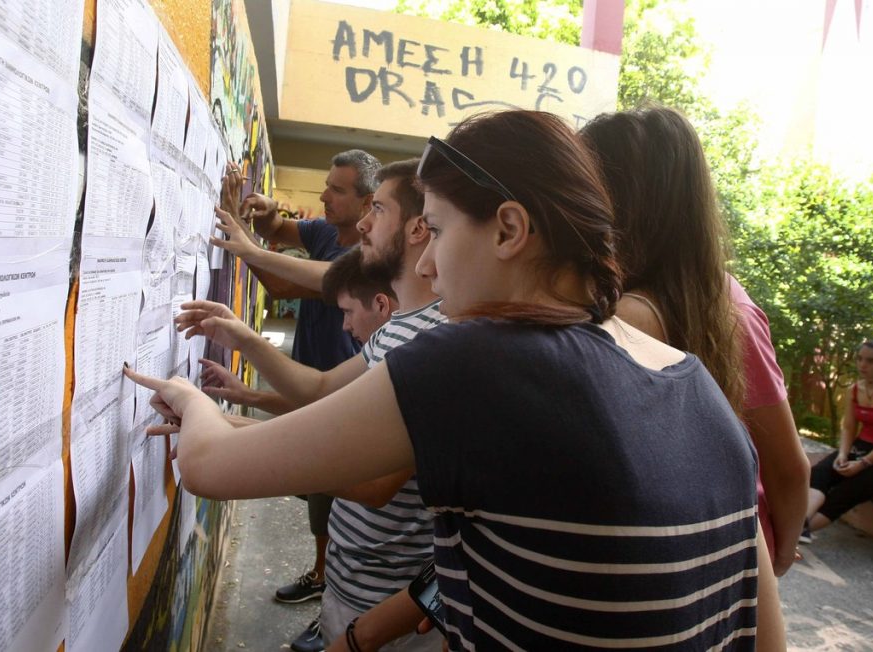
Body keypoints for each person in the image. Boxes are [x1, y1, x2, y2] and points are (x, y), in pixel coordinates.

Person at [128, 110, 781, 650]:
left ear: (509, 229)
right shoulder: (699, 386)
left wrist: (189, 397)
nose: (431, 266)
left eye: (436, 231)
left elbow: (212, 468)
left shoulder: (479, 363)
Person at [182, 159, 445, 651]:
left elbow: (372, 484)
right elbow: (324, 388)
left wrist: (218, 424)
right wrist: (242, 340)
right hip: (355, 580)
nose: (363, 222)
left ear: (416, 229)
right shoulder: (406, 324)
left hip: (387, 605)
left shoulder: (432, 337)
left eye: (379, 209)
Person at [578, 106, 811, 577]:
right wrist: (772, 559)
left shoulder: (621, 319)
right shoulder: (728, 299)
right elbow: (789, 468)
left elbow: (786, 466)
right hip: (731, 555)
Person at [219, 150, 379, 612]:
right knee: (322, 497)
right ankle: (323, 574)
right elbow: (279, 231)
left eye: (337, 189)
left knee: (335, 493)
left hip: (336, 382)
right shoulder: (327, 231)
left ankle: (331, 583)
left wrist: (240, 233)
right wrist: (264, 211)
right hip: (312, 380)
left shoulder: (360, 260)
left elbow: (284, 285)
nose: (324, 195)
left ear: (367, 203)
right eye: (326, 184)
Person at [197, 246, 398, 413]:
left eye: (348, 311)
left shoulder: (401, 359)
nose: (345, 325)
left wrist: (244, 341)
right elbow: (322, 394)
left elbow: (323, 405)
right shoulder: (385, 342)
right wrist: (248, 396)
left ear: (381, 305)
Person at [802, 337, 873, 540]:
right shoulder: (855, 389)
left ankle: (797, 532)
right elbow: (849, 427)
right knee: (820, 473)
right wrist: (842, 454)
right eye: (860, 359)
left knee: (844, 492)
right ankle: (800, 525)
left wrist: (862, 464)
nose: (863, 365)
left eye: (870, 361)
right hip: (859, 448)